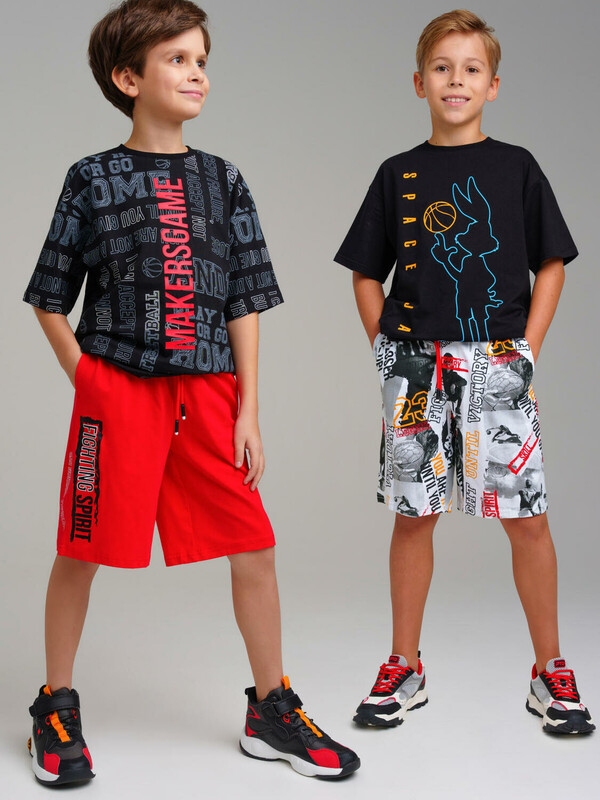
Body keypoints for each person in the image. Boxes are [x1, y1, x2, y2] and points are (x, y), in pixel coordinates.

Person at [23, 0, 360, 785]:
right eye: (176, 59)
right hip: (118, 391)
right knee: (82, 547)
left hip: (208, 394)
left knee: (255, 543)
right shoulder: (91, 178)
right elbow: (49, 296)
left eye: (202, 59)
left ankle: (270, 708)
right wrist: (88, 381)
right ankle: (55, 704)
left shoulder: (223, 180)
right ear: (127, 77)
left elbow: (243, 299)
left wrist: (249, 409)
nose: (197, 72)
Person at [334, 9, 594, 736]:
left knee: (527, 520)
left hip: (498, 361)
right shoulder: (398, 173)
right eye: (442, 68)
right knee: (414, 515)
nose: (457, 80)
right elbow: (364, 272)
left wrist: (526, 350)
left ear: (494, 85)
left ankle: (550, 670)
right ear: (420, 82)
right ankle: (404, 665)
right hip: (415, 364)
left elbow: (552, 263)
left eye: (471, 69)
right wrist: (388, 351)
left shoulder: (517, 167)